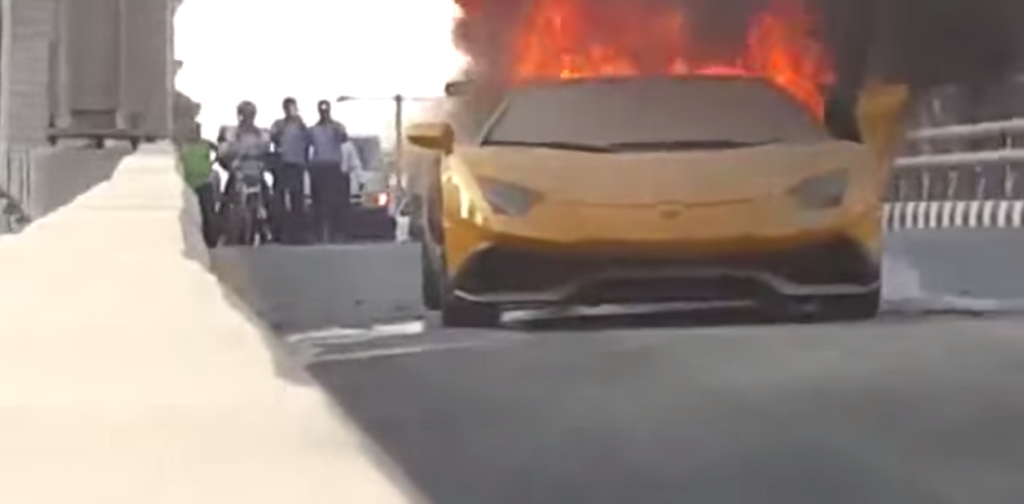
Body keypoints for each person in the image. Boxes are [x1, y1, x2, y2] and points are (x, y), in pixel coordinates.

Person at [216, 100, 274, 239]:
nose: (247, 118)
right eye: (245, 114)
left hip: (256, 172)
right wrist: (230, 166)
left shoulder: (262, 134)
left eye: (250, 114)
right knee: (228, 201)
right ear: (239, 115)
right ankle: (224, 232)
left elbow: (267, 155)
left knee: (269, 200)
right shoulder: (230, 133)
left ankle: (267, 228)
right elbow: (222, 154)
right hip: (238, 173)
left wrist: (264, 165)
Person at [308, 99, 351, 242]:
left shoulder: (337, 127)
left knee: (335, 202)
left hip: (333, 167)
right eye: (322, 110)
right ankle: (320, 233)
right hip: (319, 167)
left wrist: (337, 130)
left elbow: (344, 139)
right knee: (318, 202)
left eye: (326, 110)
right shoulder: (313, 130)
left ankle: (336, 232)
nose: (324, 113)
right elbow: (307, 144)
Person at [269, 97, 311, 243]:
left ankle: (298, 233)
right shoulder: (279, 124)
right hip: (282, 164)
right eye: (287, 107)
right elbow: (273, 137)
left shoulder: (301, 125)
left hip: (297, 164)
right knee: (280, 200)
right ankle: (281, 233)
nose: (290, 110)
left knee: (297, 199)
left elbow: (307, 142)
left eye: (292, 107)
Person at [177, 123, 218, 247]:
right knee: (190, 214)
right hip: (188, 183)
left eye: (198, 130)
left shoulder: (205, 144)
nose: (196, 133)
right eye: (193, 130)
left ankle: (211, 241)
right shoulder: (183, 145)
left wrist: (212, 163)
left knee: (208, 212)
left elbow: (219, 150)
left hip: (204, 181)